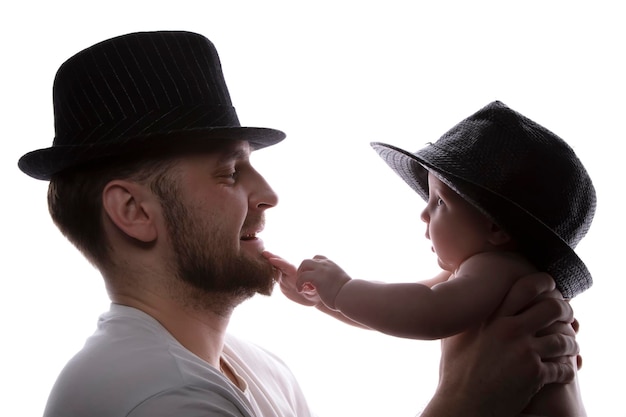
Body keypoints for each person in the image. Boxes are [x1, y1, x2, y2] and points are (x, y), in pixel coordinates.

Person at [18, 31, 580, 417]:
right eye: (230, 172)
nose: (268, 194)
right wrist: (467, 401)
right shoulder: (156, 399)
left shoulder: (258, 368)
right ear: (135, 212)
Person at [265, 101, 594, 416]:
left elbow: (424, 312)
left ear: (496, 226)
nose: (424, 213)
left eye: (440, 202)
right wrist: (325, 299)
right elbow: (398, 305)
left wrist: (341, 290)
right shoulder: (482, 278)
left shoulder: (497, 268)